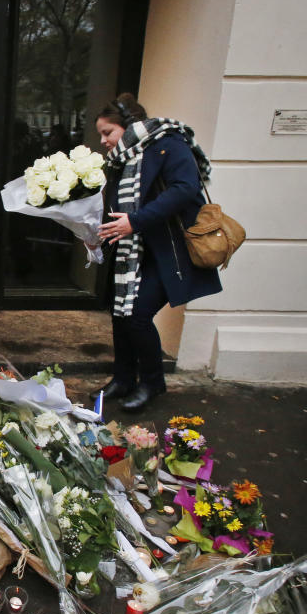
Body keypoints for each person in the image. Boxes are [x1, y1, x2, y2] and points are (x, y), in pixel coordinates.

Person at [92, 93, 222, 411]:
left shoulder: (168, 142)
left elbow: (185, 188)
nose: (103, 141)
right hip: (133, 252)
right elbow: (116, 207)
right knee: (121, 315)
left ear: (129, 126)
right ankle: (123, 379)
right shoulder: (121, 160)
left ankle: (151, 383)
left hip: (170, 251)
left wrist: (134, 222)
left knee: (137, 316)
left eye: (107, 132)